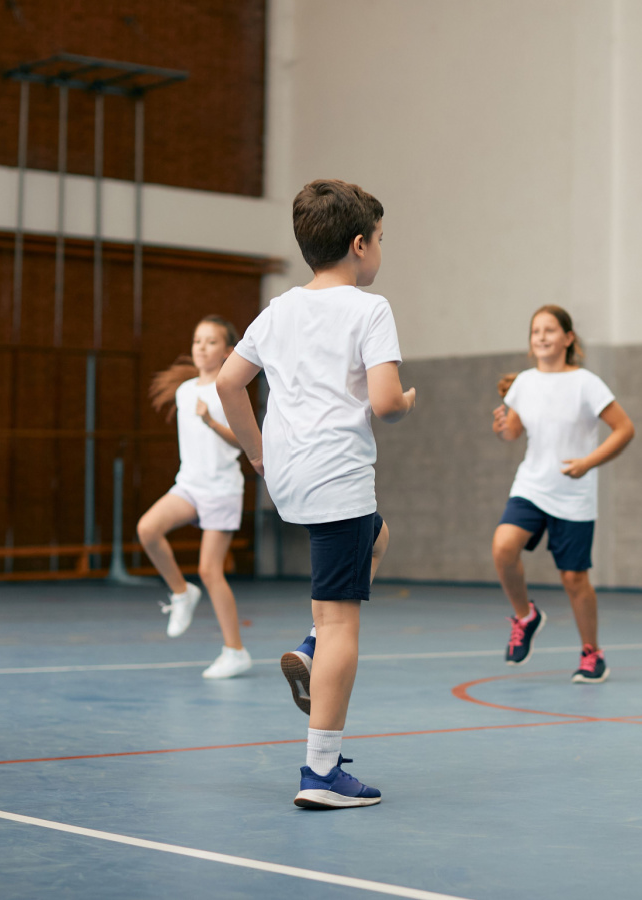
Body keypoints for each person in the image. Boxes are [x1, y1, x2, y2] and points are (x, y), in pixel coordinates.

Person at [216, 179, 414, 808]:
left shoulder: (277, 310)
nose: (381, 250)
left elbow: (228, 383)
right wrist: (405, 402)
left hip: (291, 478)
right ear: (359, 245)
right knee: (341, 622)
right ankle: (321, 773)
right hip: (337, 478)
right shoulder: (369, 308)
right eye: (380, 239)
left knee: (377, 537)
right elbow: (385, 403)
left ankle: (309, 644)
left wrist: (256, 451)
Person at [491, 306, 634, 682]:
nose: (541, 336)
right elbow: (514, 433)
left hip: (573, 493)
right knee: (503, 548)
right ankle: (526, 616)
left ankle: (592, 652)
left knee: (574, 579)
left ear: (568, 338)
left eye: (549, 330)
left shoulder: (587, 383)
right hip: (532, 485)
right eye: (535, 330)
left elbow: (624, 429)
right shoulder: (523, 382)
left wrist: (588, 462)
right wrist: (504, 426)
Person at [139, 316, 252, 679]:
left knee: (209, 570)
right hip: (189, 485)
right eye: (197, 341)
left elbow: (247, 441)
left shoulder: (231, 389)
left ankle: (235, 652)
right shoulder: (185, 391)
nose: (201, 347)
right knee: (147, 530)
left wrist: (212, 423)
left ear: (228, 351)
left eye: (210, 341)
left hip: (222, 489)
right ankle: (181, 593)